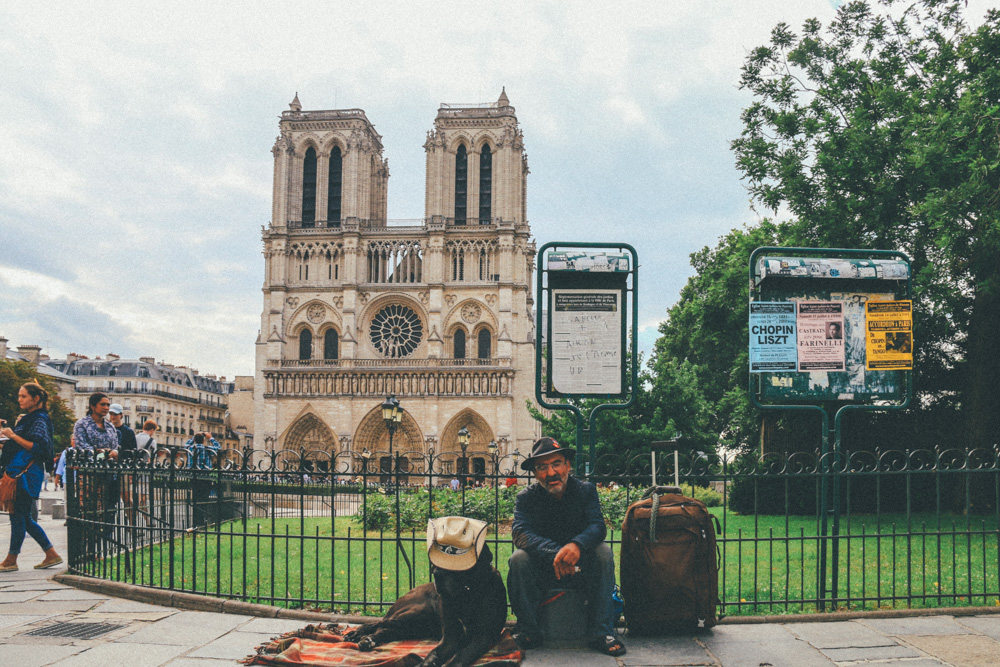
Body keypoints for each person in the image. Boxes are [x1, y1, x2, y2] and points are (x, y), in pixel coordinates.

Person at [507, 437, 625, 657]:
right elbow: (520, 532)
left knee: (604, 553)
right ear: (535, 473)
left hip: (582, 566)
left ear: (568, 465)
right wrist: (556, 553)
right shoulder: (526, 498)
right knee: (518, 559)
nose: (551, 472)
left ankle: (602, 632)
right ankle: (529, 631)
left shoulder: (585, 491)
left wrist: (576, 545)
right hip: (543, 568)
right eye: (542, 467)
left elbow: (597, 526)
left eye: (556, 464)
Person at [0, 382, 62, 572]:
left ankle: (12, 559)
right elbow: (19, 446)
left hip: (26, 474)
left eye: (23, 396)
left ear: (36, 399)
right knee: (23, 517)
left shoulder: (39, 419)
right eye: (19, 395)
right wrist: (7, 436)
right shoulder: (31, 419)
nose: (19, 399)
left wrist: (12, 435)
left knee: (19, 516)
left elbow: (39, 448)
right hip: (23, 473)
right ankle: (50, 553)